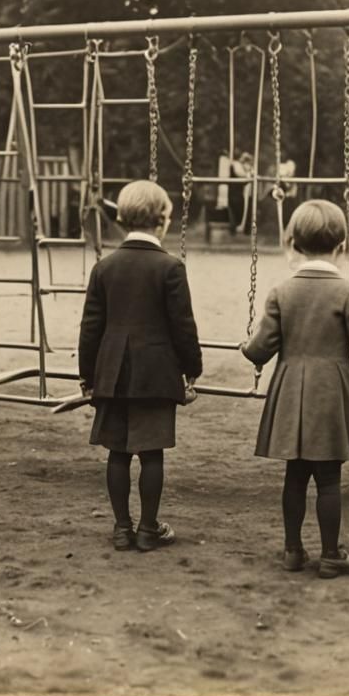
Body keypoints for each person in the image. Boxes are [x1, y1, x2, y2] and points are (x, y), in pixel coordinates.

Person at [242, 200, 349, 578]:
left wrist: (246, 348)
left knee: (295, 476)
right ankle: (332, 553)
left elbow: (260, 348)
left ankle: (293, 550)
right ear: (341, 246)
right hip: (330, 390)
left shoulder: (281, 291)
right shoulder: (347, 291)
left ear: (293, 242)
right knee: (329, 477)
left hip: (291, 390)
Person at [78, 180, 202, 552]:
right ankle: (149, 528)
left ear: (119, 218)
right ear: (163, 221)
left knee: (117, 452)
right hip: (155, 373)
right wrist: (192, 367)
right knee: (151, 454)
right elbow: (183, 325)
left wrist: (87, 376)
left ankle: (121, 527)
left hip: (112, 373)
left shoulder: (104, 267)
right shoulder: (170, 267)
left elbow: (90, 328)